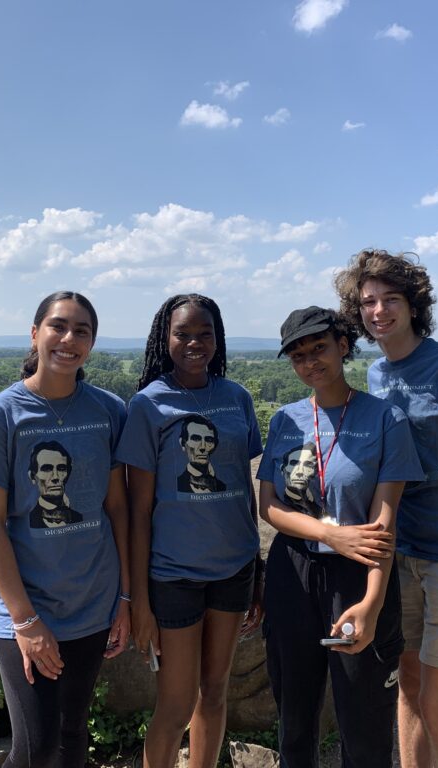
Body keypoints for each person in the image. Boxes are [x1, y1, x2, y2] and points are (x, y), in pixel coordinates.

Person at [335, 250, 438, 768]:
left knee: (436, 701)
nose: (378, 311)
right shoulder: (378, 371)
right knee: (407, 684)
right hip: (401, 549)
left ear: (414, 305)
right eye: (368, 302)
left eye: (391, 300)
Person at [0, 291, 131, 768]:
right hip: (27, 610)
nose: (69, 338)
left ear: (92, 344)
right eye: (58, 326)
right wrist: (27, 622)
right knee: (36, 748)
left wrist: (126, 599)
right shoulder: (2, 415)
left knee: (74, 733)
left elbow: (118, 508)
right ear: (35, 334)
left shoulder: (109, 410)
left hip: (94, 605)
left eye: (82, 331)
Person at [258, 306, 423, 768]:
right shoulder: (285, 420)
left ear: (343, 346)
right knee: (295, 712)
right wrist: (335, 535)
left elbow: (382, 524)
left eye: (319, 348)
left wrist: (371, 605)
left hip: (360, 575)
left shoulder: (385, 419)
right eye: (298, 355)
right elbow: (268, 506)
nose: (310, 362)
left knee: (364, 715)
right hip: (293, 572)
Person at [116, 294, 263, 768]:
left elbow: (244, 486)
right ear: (165, 338)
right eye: (183, 333)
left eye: (205, 333)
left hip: (234, 567)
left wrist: (256, 564)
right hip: (174, 574)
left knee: (216, 691)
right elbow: (139, 511)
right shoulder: (148, 405)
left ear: (218, 339)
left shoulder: (237, 398)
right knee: (176, 704)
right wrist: (138, 599)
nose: (194, 342)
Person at [28, 440, 84, 527]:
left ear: (68, 473)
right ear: (32, 476)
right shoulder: (29, 520)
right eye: (46, 469)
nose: (55, 477)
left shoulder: (79, 517)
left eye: (61, 468)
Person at [176, 415, 228, 493]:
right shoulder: (177, 484)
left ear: (215, 445)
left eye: (209, 440)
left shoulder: (222, 486)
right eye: (196, 439)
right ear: (183, 444)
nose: (203, 447)